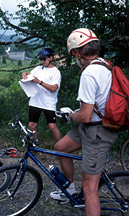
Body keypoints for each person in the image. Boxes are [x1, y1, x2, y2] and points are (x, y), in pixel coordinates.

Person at [50, 28, 119, 216]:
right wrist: (78, 114)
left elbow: (86, 115)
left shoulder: (89, 74)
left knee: (89, 188)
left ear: (77, 52)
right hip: (90, 127)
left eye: (73, 55)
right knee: (61, 147)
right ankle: (70, 189)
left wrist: (70, 115)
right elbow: (97, 104)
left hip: (97, 132)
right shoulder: (105, 64)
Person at [22, 48, 61, 142]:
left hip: (49, 102)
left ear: (51, 58)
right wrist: (25, 74)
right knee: (32, 125)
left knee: (52, 126)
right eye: (41, 59)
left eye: (44, 59)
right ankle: (34, 145)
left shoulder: (56, 72)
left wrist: (39, 82)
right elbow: (29, 75)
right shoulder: (38, 69)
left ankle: (62, 148)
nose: (42, 61)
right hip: (35, 101)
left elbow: (54, 88)